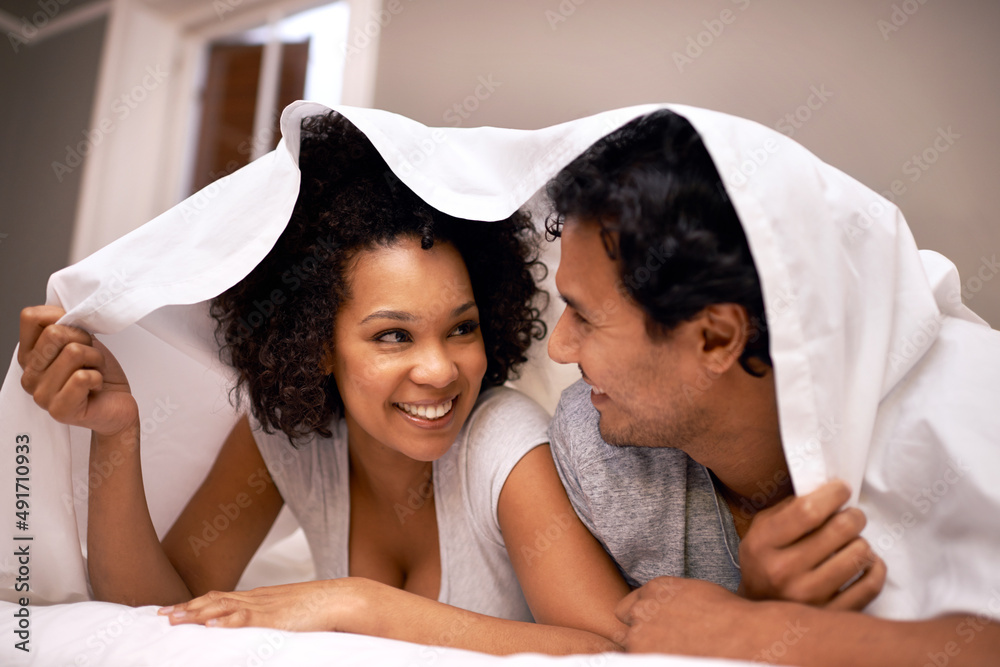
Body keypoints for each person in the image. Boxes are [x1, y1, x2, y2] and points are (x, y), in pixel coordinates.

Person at [17, 111, 631, 654]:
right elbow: (156, 613)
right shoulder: (286, 438)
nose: (441, 369)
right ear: (315, 346)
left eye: (462, 328)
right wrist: (118, 436)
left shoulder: (505, 444)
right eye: (393, 335)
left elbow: (608, 649)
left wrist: (359, 603)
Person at [543, 108, 1000, 664]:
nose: (558, 348)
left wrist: (758, 631)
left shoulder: (971, 411)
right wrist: (755, 606)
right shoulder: (594, 447)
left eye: (585, 318)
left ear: (715, 338)